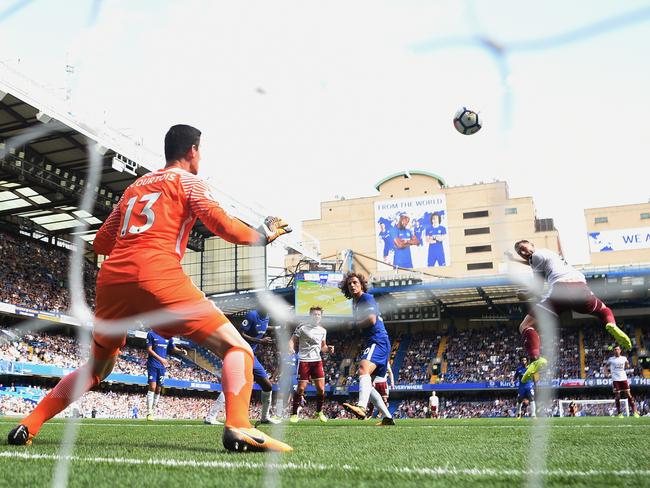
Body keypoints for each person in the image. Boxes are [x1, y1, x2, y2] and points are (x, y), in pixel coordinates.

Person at [8, 124, 292, 452]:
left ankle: (30, 424)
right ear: (193, 151)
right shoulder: (189, 181)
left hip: (112, 281)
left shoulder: (135, 187)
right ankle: (239, 426)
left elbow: (101, 243)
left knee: (97, 368)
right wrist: (261, 234)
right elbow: (222, 225)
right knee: (236, 348)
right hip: (158, 276)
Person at [507, 240, 631, 382]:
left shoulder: (536, 256)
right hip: (579, 287)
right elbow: (532, 261)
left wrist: (525, 294)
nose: (522, 252)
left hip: (560, 291)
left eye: (523, 248)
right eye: (519, 252)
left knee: (525, 325)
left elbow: (538, 287)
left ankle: (536, 359)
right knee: (603, 309)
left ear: (533, 245)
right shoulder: (545, 254)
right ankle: (612, 325)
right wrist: (515, 260)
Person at [205, 309, 281, 425]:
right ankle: (210, 417)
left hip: (251, 355)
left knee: (267, 386)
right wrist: (260, 341)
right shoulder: (252, 315)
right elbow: (241, 333)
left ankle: (265, 417)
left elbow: (262, 327)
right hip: (241, 351)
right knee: (233, 385)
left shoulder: (266, 317)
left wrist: (275, 328)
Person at [339, 272, 395, 426]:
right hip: (375, 341)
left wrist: (353, 325)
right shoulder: (356, 304)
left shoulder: (366, 298)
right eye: (349, 284)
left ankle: (362, 407)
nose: (352, 285)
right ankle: (387, 418)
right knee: (367, 382)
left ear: (361, 284)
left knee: (363, 370)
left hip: (378, 340)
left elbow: (371, 320)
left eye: (355, 282)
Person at [288, 306, 333, 423]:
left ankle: (319, 411)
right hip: (304, 361)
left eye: (318, 314)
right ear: (310, 315)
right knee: (301, 388)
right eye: (314, 314)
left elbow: (323, 347)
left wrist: (329, 349)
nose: (316, 316)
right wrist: (291, 347)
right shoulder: (302, 328)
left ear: (321, 316)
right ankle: (294, 413)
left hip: (317, 361)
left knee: (321, 389)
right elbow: (292, 340)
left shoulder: (323, 331)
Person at [145, 329, 187, 421]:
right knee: (152, 387)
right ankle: (149, 412)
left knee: (158, 389)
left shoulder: (168, 335)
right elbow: (149, 349)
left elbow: (173, 348)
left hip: (162, 366)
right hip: (152, 364)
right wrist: (161, 359)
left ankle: (153, 410)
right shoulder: (151, 334)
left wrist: (181, 351)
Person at [605, 345, 640, 418]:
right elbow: (606, 366)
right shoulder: (611, 359)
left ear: (620, 350)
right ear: (613, 351)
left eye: (617, 349)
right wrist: (606, 373)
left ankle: (635, 412)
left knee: (628, 394)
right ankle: (619, 413)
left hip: (623, 378)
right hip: (615, 380)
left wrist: (627, 364)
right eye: (615, 349)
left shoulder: (624, 358)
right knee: (617, 395)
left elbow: (627, 365)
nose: (616, 351)